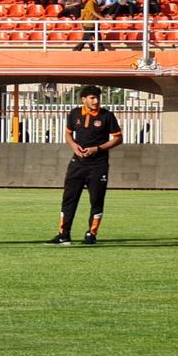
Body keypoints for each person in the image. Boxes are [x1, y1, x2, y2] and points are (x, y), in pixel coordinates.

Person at [44, 85, 123, 246]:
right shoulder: (74, 114)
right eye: (92, 98)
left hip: (98, 165)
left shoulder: (107, 116)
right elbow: (68, 133)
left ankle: (91, 234)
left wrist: (97, 149)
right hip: (77, 164)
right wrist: (73, 146)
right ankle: (63, 234)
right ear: (84, 100)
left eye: (97, 98)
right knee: (69, 199)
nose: (96, 101)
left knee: (96, 200)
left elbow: (118, 138)